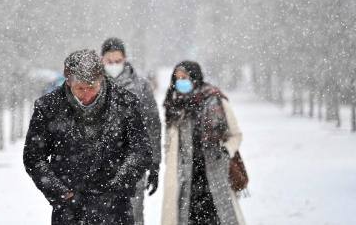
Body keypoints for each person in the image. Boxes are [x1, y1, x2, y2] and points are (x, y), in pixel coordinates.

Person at [23, 49, 152, 225]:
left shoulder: (126, 103)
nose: (87, 95)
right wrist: (62, 193)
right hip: (69, 210)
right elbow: (34, 158)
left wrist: (117, 186)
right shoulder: (48, 108)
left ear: (102, 79)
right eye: (80, 89)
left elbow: (141, 151)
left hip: (116, 209)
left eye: (92, 87)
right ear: (68, 82)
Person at [161, 61, 245, 225]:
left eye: (185, 77)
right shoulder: (173, 104)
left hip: (212, 176)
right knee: (185, 218)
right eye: (177, 78)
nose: (181, 82)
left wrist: (226, 151)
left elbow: (236, 135)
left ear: (195, 78)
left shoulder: (214, 100)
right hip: (184, 180)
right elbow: (169, 142)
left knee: (218, 218)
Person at [101, 37, 162, 225]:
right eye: (109, 61)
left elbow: (153, 126)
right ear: (102, 60)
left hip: (134, 163)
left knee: (133, 215)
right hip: (100, 165)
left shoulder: (141, 86)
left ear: (125, 58)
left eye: (117, 61)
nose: (113, 65)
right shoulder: (93, 86)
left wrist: (154, 164)